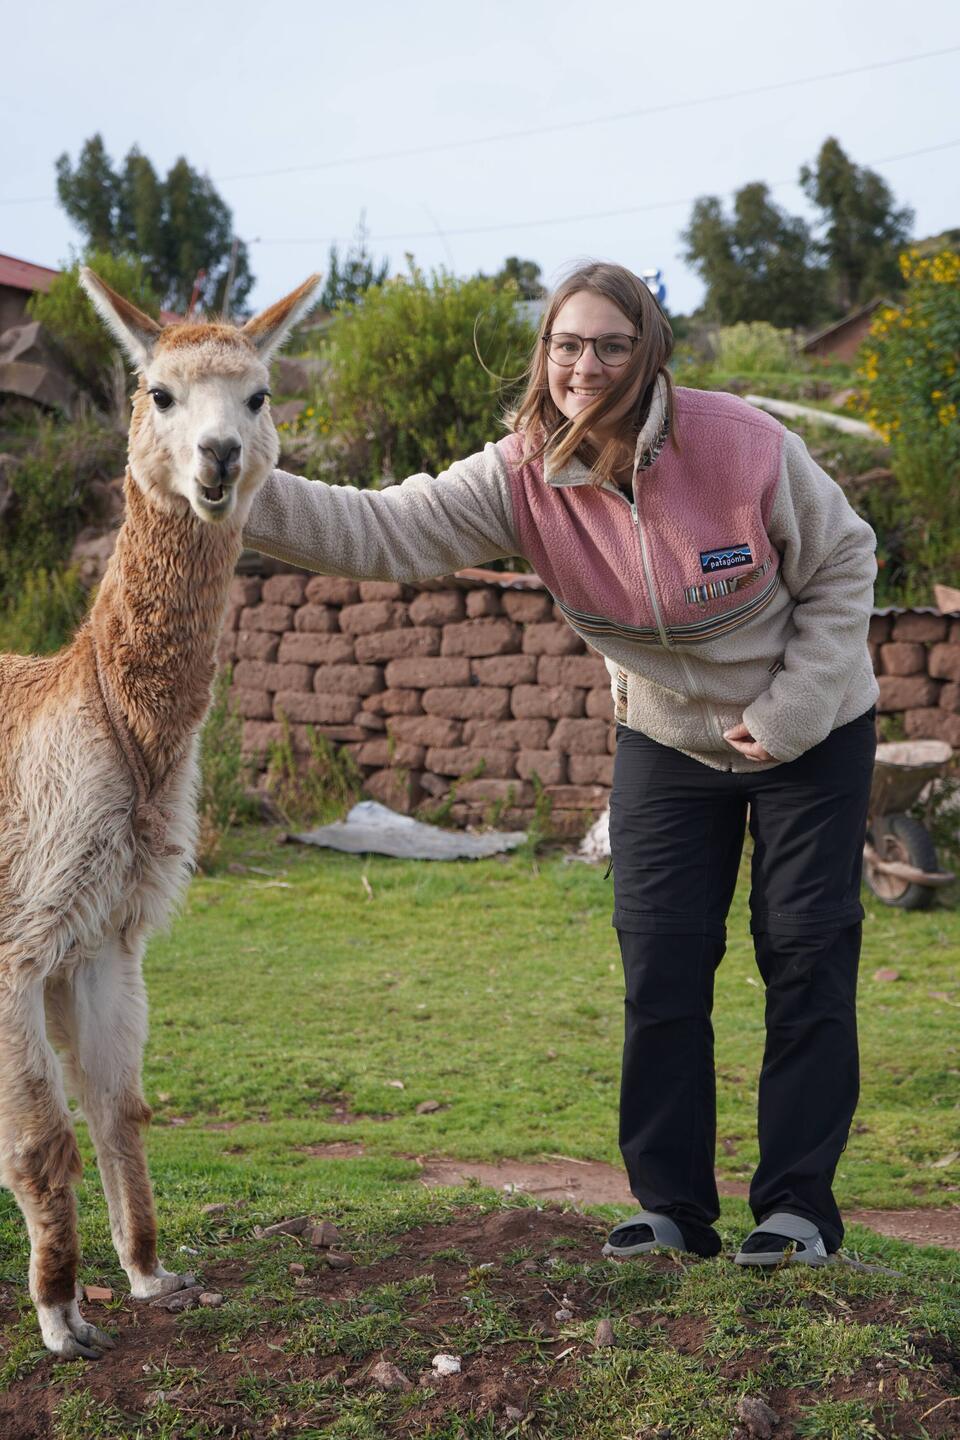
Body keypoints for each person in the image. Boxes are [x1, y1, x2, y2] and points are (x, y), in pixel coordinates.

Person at [243, 261, 879, 1266]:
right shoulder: (521, 478)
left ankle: (798, 1211)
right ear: (545, 354)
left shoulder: (741, 445)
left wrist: (794, 707)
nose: (587, 366)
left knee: (805, 954)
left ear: (648, 352)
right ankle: (673, 1213)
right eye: (567, 345)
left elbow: (846, 559)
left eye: (612, 345)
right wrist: (226, 472)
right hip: (667, 739)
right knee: (661, 963)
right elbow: (382, 528)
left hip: (812, 732)